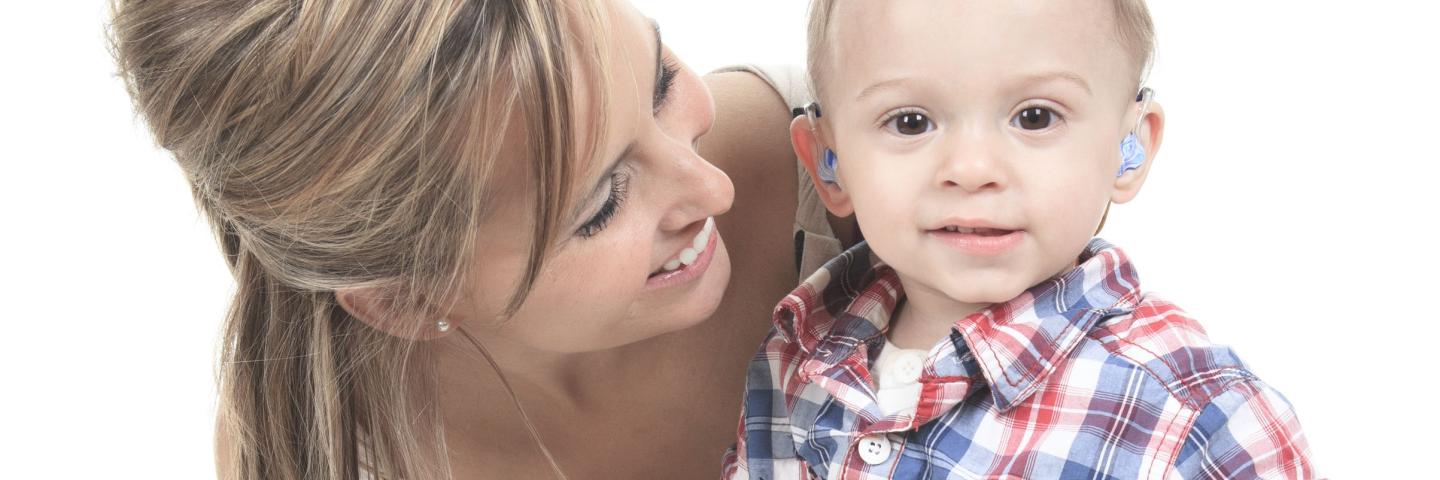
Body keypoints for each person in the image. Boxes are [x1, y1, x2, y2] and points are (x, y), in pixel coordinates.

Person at [109, 0, 853, 478]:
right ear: (406, 298)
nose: (711, 188)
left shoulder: (868, 172)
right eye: (601, 205)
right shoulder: (319, 453)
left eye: (659, 81)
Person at [724, 0, 1316, 478]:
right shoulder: (793, 357)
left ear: (1129, 147)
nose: (973, 167)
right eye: (910, 121)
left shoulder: (1194, 419)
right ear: (830, 163)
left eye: (1035, 117)